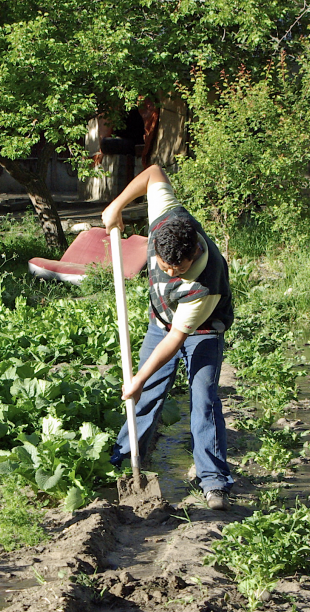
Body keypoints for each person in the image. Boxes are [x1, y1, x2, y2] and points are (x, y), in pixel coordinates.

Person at [102, 164, 235, 511]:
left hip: (202, 330)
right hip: (161, 322)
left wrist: (137, 378)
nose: (169, 272)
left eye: (179, 268)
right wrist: (116, 206)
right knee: (143, 398)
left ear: (194, 252)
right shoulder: (166, 217)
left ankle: (214, 481)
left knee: (203, 400)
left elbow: (177, 340)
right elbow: (153, 172)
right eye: (164, 265)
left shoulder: (204, 285)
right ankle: (120, 463)